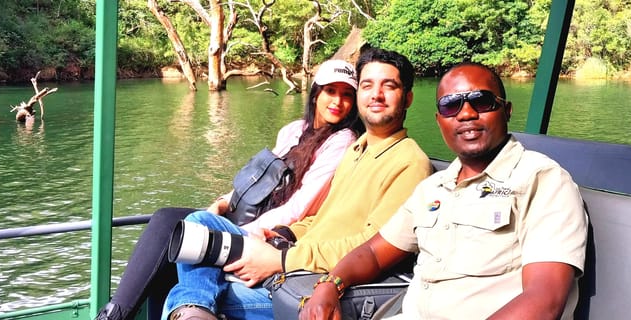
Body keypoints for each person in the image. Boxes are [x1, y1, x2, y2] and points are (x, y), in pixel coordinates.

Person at [300, 62, 590, 320]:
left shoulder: (542, 180)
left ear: (507, 111)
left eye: (481, 101)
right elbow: (374, 252)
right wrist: (330, 285)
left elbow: (544, 301)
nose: (466, 114)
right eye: (451, 106)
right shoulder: (433, 189)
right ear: (440, 121)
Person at [161, 48, 433, 320]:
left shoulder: (409, 162)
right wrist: (281, 234)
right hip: (293, 256)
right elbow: (321, 217)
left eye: (389, 86)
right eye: (367, 85)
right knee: (199, 226)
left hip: (312, 281)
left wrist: (279, 260)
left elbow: (372, 247)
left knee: (184, 294)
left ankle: (192, 309)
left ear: (407, 98)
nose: (376, 94)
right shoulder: (357, 150)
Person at [95, 59, 364, 320]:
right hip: (243, 217)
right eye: (330, 91)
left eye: (346, 95)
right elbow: (257, 181)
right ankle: (117, 313)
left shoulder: (341, 141)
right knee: (170, 230)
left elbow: (300, 206)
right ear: (316, 94)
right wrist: (222, 203)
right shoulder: (294, 130)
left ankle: (116, 315)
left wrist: (245, 230)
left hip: (270, 233)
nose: (337, 101)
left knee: (174, 226)